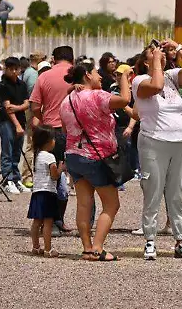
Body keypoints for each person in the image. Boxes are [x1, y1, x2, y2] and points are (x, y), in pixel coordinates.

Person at [134, 40, 182, 261]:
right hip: (153, 140)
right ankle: (150, 240)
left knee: (177, 193)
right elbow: (155, 87)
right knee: (152, 191)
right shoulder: (139, 80)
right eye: (153, 53)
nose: (160, 54)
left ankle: (180, 240)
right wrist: (156, 63)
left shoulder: (171, 76)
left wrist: (179, 48)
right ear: (145, 61)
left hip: (180, 141)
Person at [61, 58, 131, 261]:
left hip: (73, 156)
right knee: (111, 205)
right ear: (88, 75)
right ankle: (98, 248)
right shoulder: (97, 96)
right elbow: (125, 100)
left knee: (84, 204)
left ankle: (86, 248)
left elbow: (65, 129)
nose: (100, 75)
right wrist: (124, 77)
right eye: (96, 72)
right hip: (97, 157)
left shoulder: (67, 101)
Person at [30, 46, 76, 236]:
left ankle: (49, 221)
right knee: (76, 178)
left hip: (50, 132)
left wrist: (46, 119)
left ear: (54, 59)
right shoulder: (78, 76)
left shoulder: (44, 77)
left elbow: (34, 107)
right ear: (72, 59)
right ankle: (63, 220)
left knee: (50, 179)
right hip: (73, 131)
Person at [0, 57, 31, 195]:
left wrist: (17, 108)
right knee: (7, 151)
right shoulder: (3, 86)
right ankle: (7, 179)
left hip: (21, 121)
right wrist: (17, 125)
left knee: (17, 152)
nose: (14, 71)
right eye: (11, 69)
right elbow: (7, 108)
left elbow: (27, 103)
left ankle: (16, 179)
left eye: (16, 69)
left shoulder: (22, 84)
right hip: (8, 122)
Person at [27, 126, 62, 257]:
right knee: (48, 222)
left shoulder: (37, 155)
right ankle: (48, 249)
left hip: (37, 191)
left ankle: (35, 247)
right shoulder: (50, 157)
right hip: (48, 192)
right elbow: (54, 176)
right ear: (48, 141)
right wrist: (61, 168)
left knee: (37, 221)